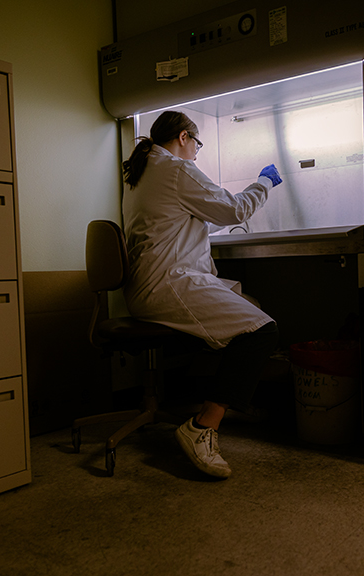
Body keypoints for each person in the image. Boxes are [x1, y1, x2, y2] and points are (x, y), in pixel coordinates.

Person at [121, 110, 282, 479]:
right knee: (262, 330)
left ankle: (232, 398)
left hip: (153, 283)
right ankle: (202, 427)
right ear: (183, 137)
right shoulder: (175, 169)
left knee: (249, 308)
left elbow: (177, 222)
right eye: (197, 144)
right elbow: (235, 209)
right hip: (167, 283)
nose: (196, 152)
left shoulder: (143, 172)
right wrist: (264, 182)